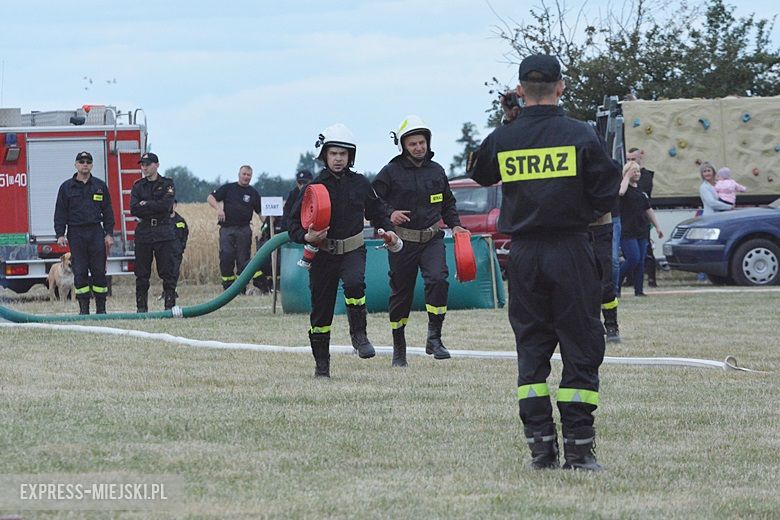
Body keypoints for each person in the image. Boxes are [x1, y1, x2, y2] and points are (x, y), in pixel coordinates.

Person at [468, 54, 619, 471]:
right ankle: (579, 451)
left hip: (524, 254)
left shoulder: (505, 136)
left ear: (519, 90)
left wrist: (508, 122)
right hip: (571, 250)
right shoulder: (582, 134)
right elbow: (607, 194)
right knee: (581, 347)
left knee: (532, 350)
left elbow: (479, 173)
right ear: (561, 87)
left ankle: (540, 451)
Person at [288, 123, 398, 378]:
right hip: (323, 255)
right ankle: (322, 367)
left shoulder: (360, 183)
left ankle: (359, 336)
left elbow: (378, 211)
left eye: (343, 154)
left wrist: (387, 229)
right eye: (333, 153)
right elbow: (292, 224)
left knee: (354, 284)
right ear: (324, 155)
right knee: (321, 311)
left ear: (350, 157)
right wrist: (306, 236)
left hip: (353, 250)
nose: (338, 159)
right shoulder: (312, 188)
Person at [372, 115, 467, 367]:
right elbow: (372, 202)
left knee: (438, 280)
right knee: (401, 294)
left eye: (421, 142)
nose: (418, 147)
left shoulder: (437, 171)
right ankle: (399, 349)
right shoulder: (389, 172)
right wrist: (389, 214)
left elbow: (448, 203)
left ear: (428, 143)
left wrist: (456, 225)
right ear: (403, 145)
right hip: (402, 243)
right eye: (412, 143)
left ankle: (434, 338)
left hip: (432, 239)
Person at [53, 151, 115, 315]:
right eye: (81, 162)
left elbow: (108, 212)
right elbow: (60, 212)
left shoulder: (100, 186)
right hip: (76, 233)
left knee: (99, 272)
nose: (85, 164)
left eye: (88, 161)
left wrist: (109, 234)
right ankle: (84, 310)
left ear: (92, 165)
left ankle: (101, 310)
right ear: (76, 165)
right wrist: (60, 234)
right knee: (80, 272)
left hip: (95, 232)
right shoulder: (66, 187)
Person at [130, 152, 178, 312]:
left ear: (157, 165)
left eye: (148, 164)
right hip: (144, 232)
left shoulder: (167, 184)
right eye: (142, 164)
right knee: (142, 273)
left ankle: (169, 306)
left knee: (167, 271)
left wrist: (146, 204)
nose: (144, 167)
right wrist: (153, 205)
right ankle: (141, 308)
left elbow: (165, 206)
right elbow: (134, 209)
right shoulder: (138, 186)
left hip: (163, 231)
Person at [207, 165, 262, 291]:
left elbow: (260, 213)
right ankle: (228, 288)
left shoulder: (253, 193)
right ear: (239, 174)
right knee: (226, 256)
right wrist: (219, 208)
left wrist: (267, 225)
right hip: (227, 229)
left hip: (244, 230)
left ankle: (241, 288)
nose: (246, 177)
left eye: (248, 175)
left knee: (243, 259)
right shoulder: (228, 188)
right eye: (244, 174)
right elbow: (210, 198)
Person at [618, 161, 664, 297]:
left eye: (638, 171)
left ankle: (639, 290)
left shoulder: (641, 191)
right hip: (627, 230)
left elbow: (648, 209)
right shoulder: (623, 188)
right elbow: (621, 192)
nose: (637, 174)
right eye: (634, 171)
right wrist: (626, 176)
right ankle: (616, 285)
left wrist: (657, 227)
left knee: (641, 261)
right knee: (633, 258)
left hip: (641, 229)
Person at [626, 147, 658, 287]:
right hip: (628, 219)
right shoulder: (624, 178)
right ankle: (630, 279)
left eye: (633, 159)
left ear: (640, 159)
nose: (631, 162)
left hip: (643, 219)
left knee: (646, 250)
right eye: (628, 159)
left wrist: (656, 225)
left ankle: (651, 278)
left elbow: (643, 196)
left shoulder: (646, 176)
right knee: (632, 253)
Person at [171, 200, 189, 286]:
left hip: (177, 251)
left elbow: (185, 234)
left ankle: (172, 290)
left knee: (175, 271)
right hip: (164, 252)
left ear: (175, 205)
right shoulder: (163, 220)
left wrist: (182, 246)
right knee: (166, 272)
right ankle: (167, 291)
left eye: (173, 204)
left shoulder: (180, 221)